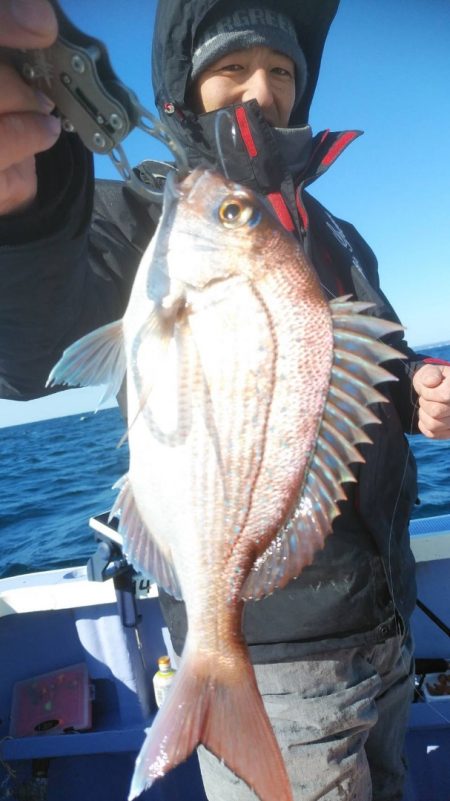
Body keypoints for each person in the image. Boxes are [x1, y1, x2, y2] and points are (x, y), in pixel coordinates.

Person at [1, 1, 450, 799]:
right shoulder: (137, 222)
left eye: (282, 71)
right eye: (232, 68)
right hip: (280, 666)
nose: (262, 88)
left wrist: (417, 388)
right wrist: (20, 217)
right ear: (185, 87)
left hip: (385, 624)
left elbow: (354, 366)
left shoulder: (336, 234)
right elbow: (35, 343)